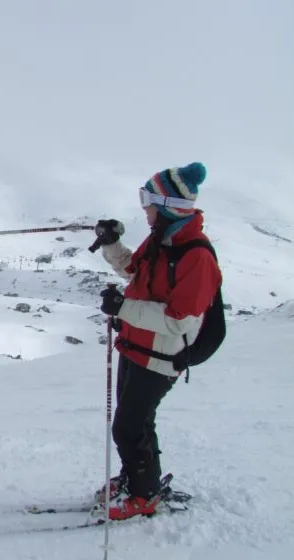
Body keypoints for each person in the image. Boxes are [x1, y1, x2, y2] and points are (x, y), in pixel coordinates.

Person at [92, 162, 222, 521]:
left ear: (167, 204)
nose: (143, 208)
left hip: (162, 357)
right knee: (136, 422)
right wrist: (111, 243)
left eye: (147, 199)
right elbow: (135, 271)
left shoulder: (196, 256)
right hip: (134, 347)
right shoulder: (163, 240)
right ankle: (137, 480)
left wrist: (123, 307)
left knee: (128, 426)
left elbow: (179, 320)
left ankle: (144, 495)